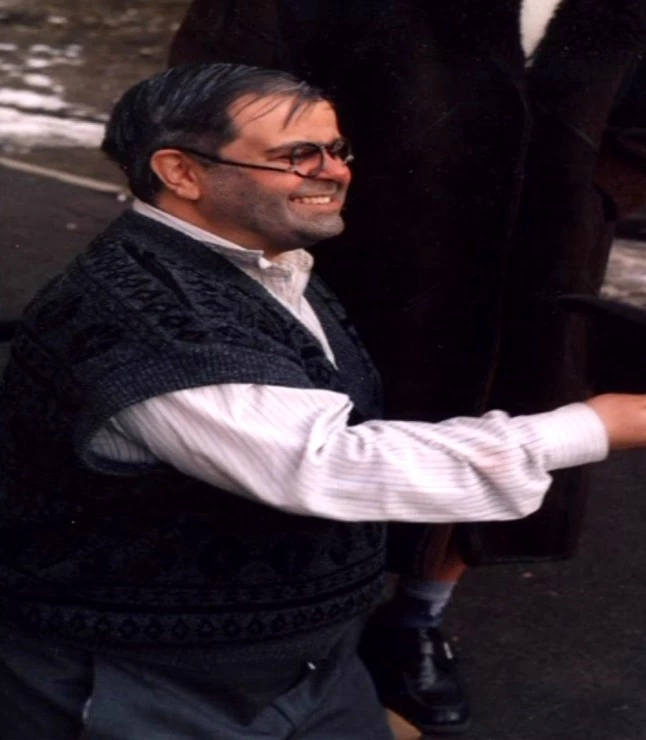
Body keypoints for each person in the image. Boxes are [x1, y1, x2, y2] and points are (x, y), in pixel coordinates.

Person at [1, 62, 645, 740]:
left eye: (338, 149)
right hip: (149, 681)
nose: (334, 172)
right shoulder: (146, 320)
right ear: (181, 172)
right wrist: (598, 425)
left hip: (310, 663)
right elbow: (327, 463)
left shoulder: (262, 261)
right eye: (298, 155)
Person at [168, 1, 646, 733]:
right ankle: (278, 621)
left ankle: (417, 618)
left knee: (506, 405)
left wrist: (602, 185)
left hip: (545, 245)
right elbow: (216, 76)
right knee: (311, 424)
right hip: (358, 227)